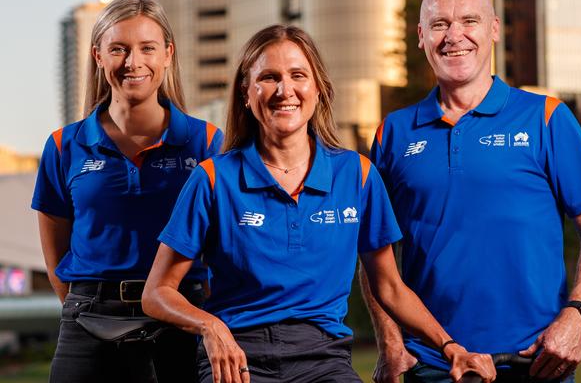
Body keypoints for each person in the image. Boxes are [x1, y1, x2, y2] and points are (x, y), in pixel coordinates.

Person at [142, 24, 497, 383]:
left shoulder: (357, 175)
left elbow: (389, 287)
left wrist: (451, 347)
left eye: (298, 75)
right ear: (246, 94)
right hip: (237, 358)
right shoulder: (213, 178)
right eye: (268, 77)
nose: (285, 90)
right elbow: (156, 293)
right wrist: (211, 328)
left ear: (318, 90)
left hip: (324, 359)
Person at [360, 0, 581, 383]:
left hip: (534, 362)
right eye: (440, 24)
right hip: (433, 366)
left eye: (469, 21)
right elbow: (375, 257)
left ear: (494, 29)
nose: (454, 36)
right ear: (421, 36)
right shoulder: (391, 134)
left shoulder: (546, 118)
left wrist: (578, 315)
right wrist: (391, 343)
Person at [31, 0, 224, 383]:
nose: (133, 63)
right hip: (89, 322)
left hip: (180, 317)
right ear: (98, 57)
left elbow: (221, 245)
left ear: (167, 54)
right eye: (118, 49)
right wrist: (81, 307)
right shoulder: (63, 146)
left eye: (147, 49)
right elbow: (56, 259)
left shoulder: (205, 141)